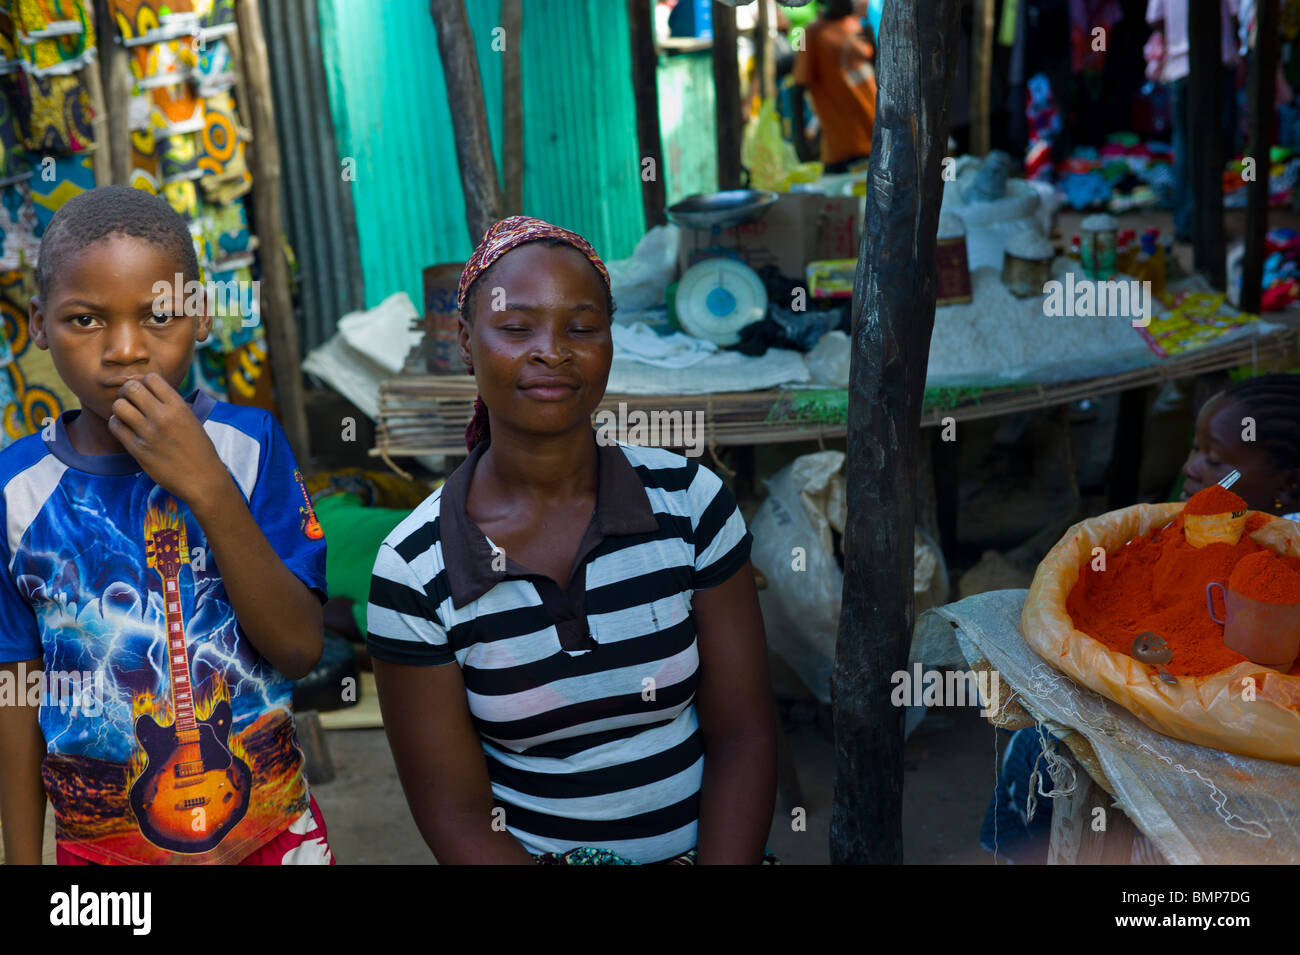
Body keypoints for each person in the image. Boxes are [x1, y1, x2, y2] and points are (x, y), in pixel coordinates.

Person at [366, 216, 778, 865]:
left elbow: (746, 734)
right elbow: (459, 815)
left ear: (612, 342)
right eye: (516, 326)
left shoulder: (691, 503)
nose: (552, 350)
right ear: (467, 341)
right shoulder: (415, 568)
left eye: (581, 327)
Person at [0, 186, 333, 865]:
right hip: (104, 858)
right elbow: (16, 687)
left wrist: (208, 487)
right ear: (36, 323)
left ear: (202, 314)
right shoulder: (16, 491)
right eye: (85, 320)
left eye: (158, 316)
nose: (125, 350)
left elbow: (299, 648)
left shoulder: (249, 447)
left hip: (271, 833)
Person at [1146, 0, 1241, 243]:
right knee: (1215, 144)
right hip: (1216, 63)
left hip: (1179, 66)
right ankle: (1206, 223)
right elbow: (1236, 13)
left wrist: (1177, 37)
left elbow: (1155, 18)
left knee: (1186, 146)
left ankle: (1187, 222)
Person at [1179, 373, 1300, 521]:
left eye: (1213, 460)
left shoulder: (1288, 542)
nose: (1189, 468)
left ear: (1288, 486)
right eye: (1196, 448)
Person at [791, 0, 877, 173]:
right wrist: (799, 143)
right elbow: (797, 89)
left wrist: (876, 47)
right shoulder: (812, 34)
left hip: (876, 138)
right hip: (844, 149)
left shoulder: (858, 24)